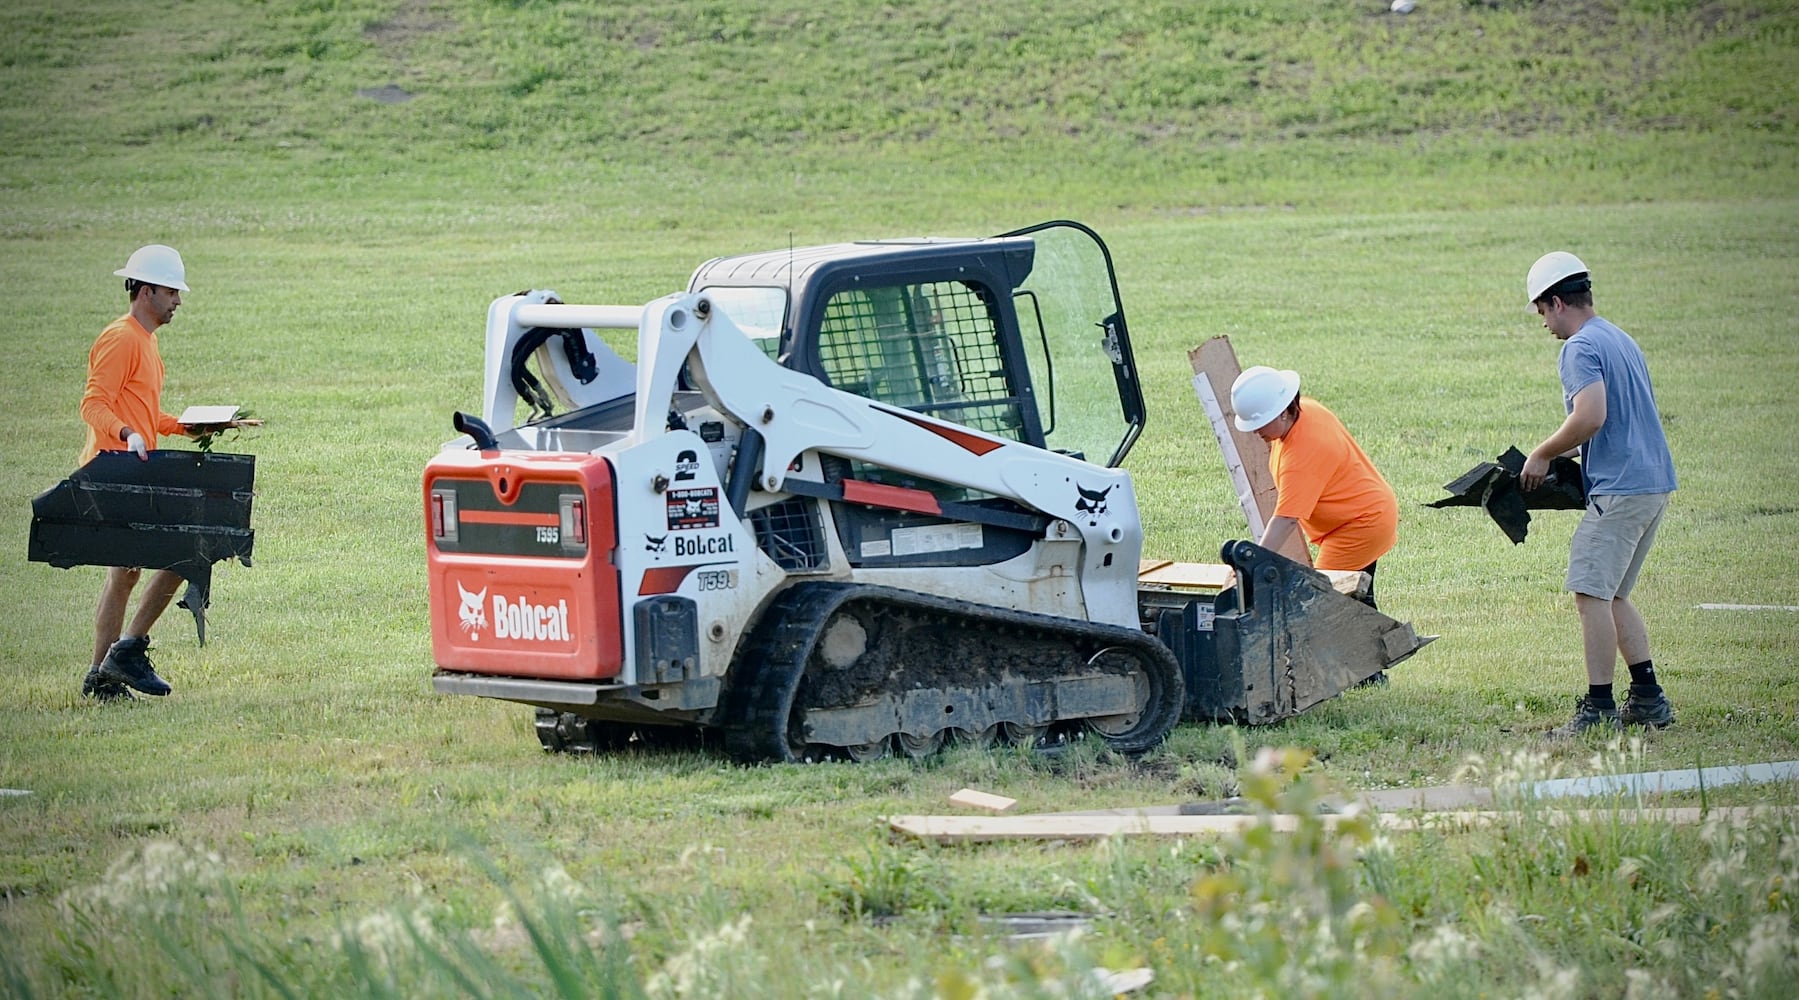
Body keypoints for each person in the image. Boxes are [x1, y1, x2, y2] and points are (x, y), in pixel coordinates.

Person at [1521, 252, 1677, 737]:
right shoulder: (1620, 338)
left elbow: (1591, 415)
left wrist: (1543, 453)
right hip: (1652, 481)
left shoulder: (1579, 347)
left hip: (1622, 488)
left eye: (1542, 311)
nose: (1544, 323)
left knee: (1590, 593)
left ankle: (1598, 708)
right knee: (1613, 596)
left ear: (1557, 302)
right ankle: (1649, 700)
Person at [77, 244, 214, 702]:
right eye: (172, 291)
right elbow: (93, 404)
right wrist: (124, 433)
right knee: (188, 549)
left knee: (125, 575)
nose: (178, 300)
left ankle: (102, 676)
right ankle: (128, 651)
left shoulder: (146, 342)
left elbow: (144, 411)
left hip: (131, 473)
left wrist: (185, 426)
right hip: (111, 474)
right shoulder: (120, 338)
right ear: (146, 290)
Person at [1229, 366, 1399, 607]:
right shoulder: (1306, 410)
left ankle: (1388, 642)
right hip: (1365, 513)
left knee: (1320, 604)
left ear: (1282, 413)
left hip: (1359, 525)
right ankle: (1389, 641)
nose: (1255, 431)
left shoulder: (1302, 454)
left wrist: (1253, 563)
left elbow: (1286, 519)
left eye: (1261, 422)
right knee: (1353, 602)